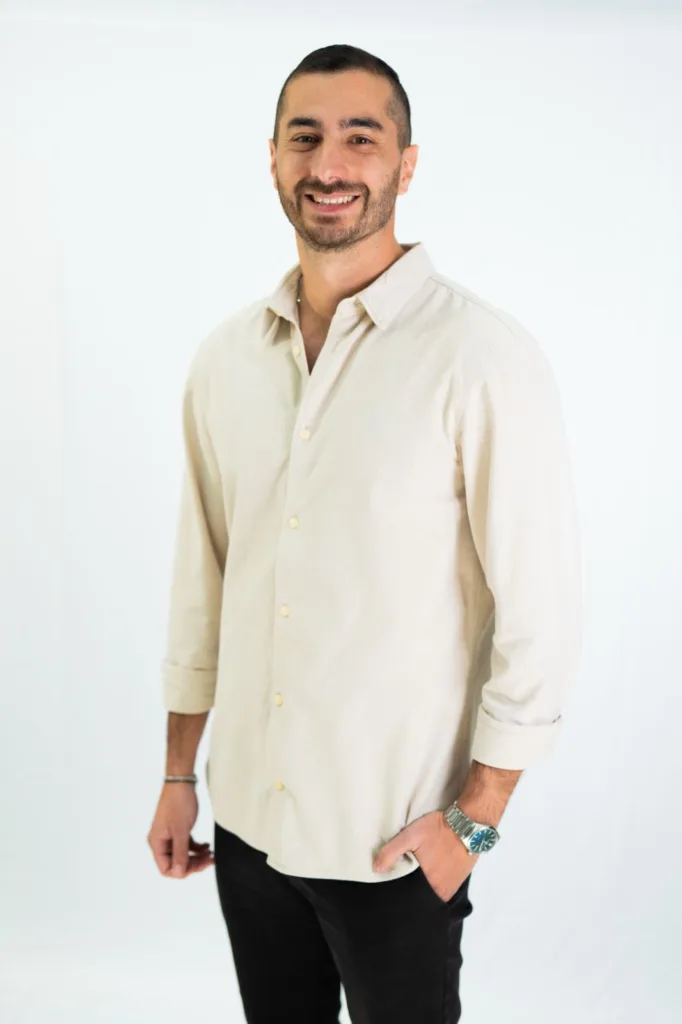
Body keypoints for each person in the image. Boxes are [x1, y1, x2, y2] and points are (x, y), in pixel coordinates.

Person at [147, 43, 582, 1024]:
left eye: (361, 137)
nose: (329, 164)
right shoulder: (226, 360)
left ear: (406, 164)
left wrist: (475, 821)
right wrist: (179, 774)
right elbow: (201, 582)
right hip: (249, 823)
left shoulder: (480, 357)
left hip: (395, 841)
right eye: (304, 138)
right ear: (272, 159)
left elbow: (541, 612)